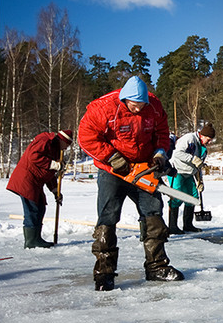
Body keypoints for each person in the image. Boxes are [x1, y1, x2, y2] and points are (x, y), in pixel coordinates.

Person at [78, 75, 183, 291]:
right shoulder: (104, 108)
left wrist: (160, 153)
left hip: (143, 168)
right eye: (134, 106)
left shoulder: (153, 106)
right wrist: (112, 158)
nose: (138, 110)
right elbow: (86, 136)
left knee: (153, 213)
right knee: (108, 216)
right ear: (125, 99)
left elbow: (162, 132)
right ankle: (104, 273)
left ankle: (156, 267)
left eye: (142, 105)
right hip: (112, 171)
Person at [7, 129, 73, 248]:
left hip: (36, 182)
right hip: (27, 179)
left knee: (40, 207)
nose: (66, 148)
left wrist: (55, 191)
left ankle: (36, 238)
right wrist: (54, 164)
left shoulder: (56, 151)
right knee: (33, 210)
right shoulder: (45, 140)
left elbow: (49, 174)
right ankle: (31, 241)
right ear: (63, 140)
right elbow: (33, 156)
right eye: (67, 145)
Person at [166, 123, 215, 234]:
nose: (210, 142)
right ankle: (172, 226)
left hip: (189, 173)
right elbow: (177, 153)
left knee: (193, 197)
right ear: (202, 135)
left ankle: (188, 225)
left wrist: (200, 180)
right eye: (208, 139)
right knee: (177, 197)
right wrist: (193, 158)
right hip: (177, 171)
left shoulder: (203, 148)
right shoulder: (189, 138)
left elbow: (199, 165)